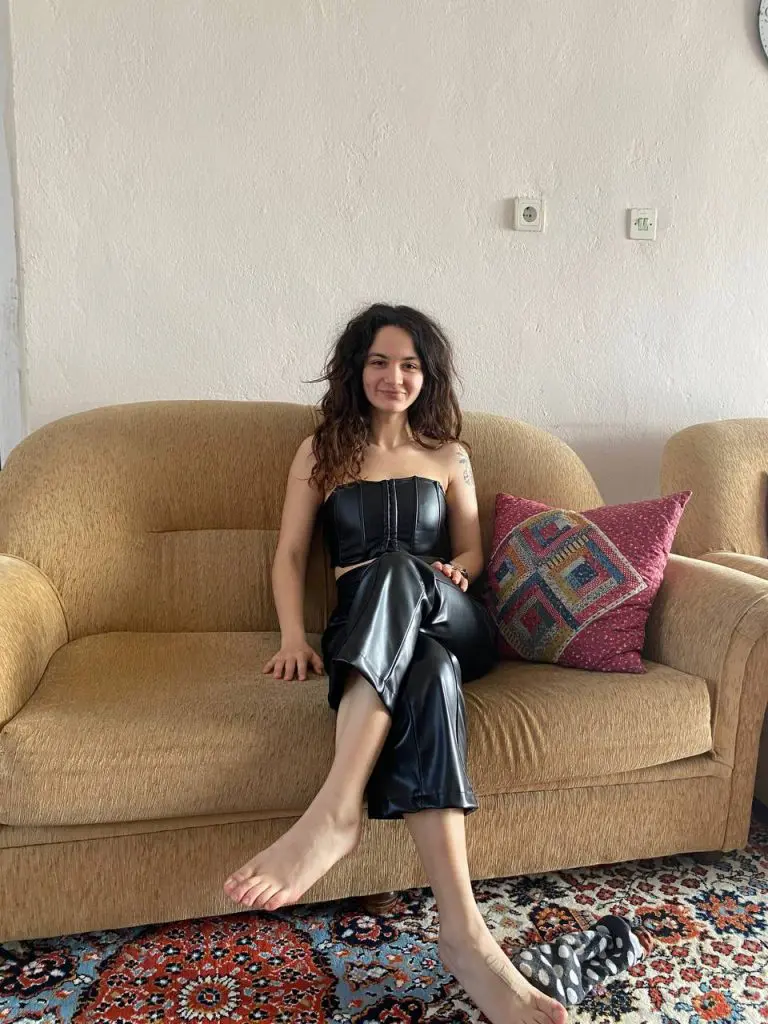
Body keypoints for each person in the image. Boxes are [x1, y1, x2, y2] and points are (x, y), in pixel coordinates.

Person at [223, 304, 567, 1024]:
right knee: (427, 674)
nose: (394, 376)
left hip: (451, 615)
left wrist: (459, 571)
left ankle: (335, 811)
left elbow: (471, 550)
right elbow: (291, 555)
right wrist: (292, 636)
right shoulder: (321, 452)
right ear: (357, 369)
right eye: (379, 361)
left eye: (410, 365)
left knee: (401, 573)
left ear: (426, 376)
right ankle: (465, 937)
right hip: (371, 631)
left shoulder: (449, 455)